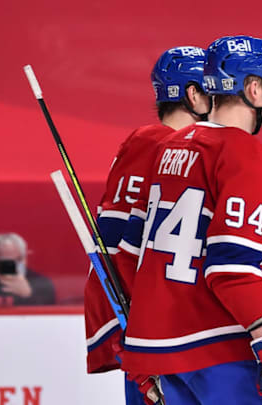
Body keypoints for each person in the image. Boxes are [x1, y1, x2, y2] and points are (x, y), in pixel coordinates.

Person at [114, 35, 262, 405]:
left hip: (163, 351)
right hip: (219, 349)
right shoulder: (246, 154)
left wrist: (140, 341)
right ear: (252, 88)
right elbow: (233, 267)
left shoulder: (170, 146)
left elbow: (135, 251)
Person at [82, 45, 210, 404]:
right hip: (162, 330)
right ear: (193, 93)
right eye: (212, 88)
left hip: (150, 326)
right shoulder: (166, 145)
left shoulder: (144, 143)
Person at [0, 232, 55, 306]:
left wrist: (28, 295)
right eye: (4, 261)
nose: (9, 266)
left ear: (25, 258)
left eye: (17, 260)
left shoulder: (42, 284)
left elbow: (50, 314)